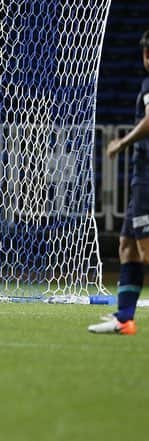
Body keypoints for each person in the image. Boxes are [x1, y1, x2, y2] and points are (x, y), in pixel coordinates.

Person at [89, 29, 149, 335]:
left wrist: (121, 143)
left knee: (145, 249)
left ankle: (125, 317)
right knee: (127, 246)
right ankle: (125, 318)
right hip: (142, 176)